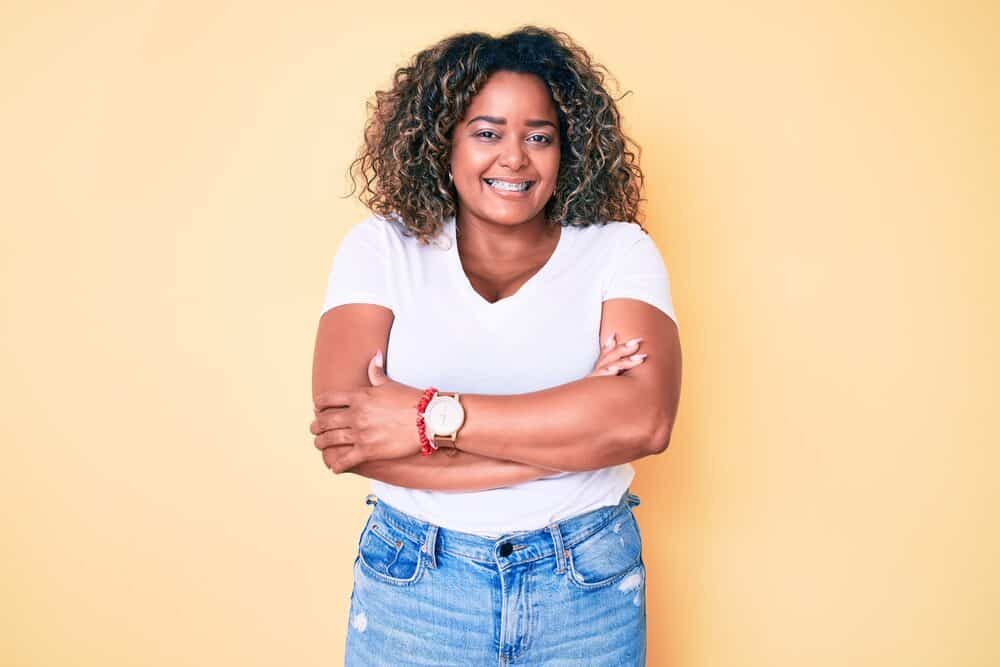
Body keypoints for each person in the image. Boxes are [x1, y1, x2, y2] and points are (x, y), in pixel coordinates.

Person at [310, 25, 682, 666]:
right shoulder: (382, 250)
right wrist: (573, 440)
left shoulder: (617, 250)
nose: (515, 157)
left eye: (539, 136)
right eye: (487, 132)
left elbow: (644, 422)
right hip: (416, 581)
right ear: (442, 144)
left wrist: (429, 418)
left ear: (568, 150)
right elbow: (349, 439)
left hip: (585, 582)